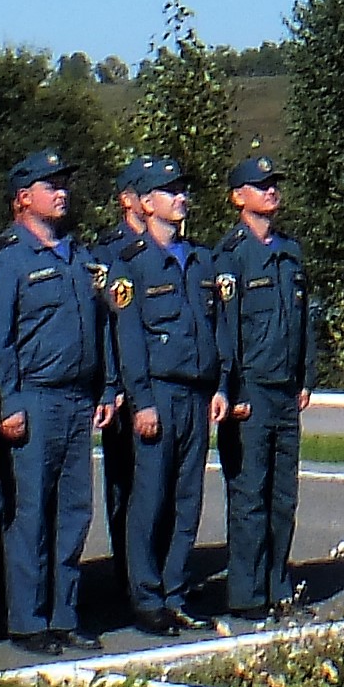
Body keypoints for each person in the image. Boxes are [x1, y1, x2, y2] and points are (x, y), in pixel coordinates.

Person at [0, 149, 114, 656]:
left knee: (73, 512)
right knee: (28, 514)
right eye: (48, 184)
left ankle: (65, 615)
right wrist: (6, 401)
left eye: (63, 182)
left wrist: (105, 387)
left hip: (77, 400)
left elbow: (101, 328)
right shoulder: (3, 257)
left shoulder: (80, 256)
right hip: (31, 397)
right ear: (22, 198)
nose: (61, 191)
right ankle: (28, 620)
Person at [105, 157, 227, 635]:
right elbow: (128, 338)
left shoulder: (200, 259)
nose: (180, 197)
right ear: (146, 202)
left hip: (196, 394)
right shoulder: (130, 264)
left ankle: (177, 591)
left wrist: (219, 385)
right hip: (157, 391)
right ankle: (146, 596)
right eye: (169, 191)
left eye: (182, 189)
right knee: (149, 498)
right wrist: (141, 401)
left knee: (186, 498)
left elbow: (215, 326)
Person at [214, 152, 321, 623]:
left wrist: (306, 377)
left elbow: (304, 323)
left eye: (275, 183)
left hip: (284, 389)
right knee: (249, 495)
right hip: (250, 390)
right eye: (261, 185)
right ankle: (246, 595)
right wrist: (229, 388)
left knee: (283, 497)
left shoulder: (290, 252)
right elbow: (225, 329)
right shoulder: (231, 255)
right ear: (239, 197)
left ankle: (278, 588)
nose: (271, 191)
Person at [89, 167, 150, 608]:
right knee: (125, 483)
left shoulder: (177, 248)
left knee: (162, 486)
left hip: (163, 380)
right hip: (123, 384)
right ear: (127, 200)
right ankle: (127, 575)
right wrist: (111, 385)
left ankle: (154, 573)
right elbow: (103, 325)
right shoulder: (107, 253)